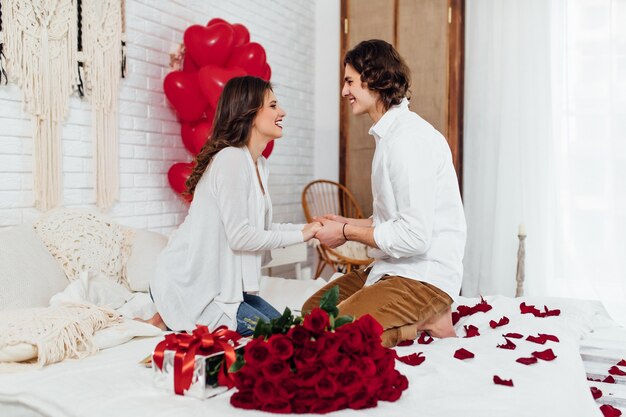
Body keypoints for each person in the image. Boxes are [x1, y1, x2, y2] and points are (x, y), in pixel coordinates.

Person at [302, 39, 466, 347]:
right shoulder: (389, 137)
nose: (344, 91)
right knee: (313, 315)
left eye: (349, 81)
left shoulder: (408, 141)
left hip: (422, 277)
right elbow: (390, 221)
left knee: (337, 334)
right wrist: (345, 222)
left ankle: (431, 315)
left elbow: (415, 237)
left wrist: (346, 232)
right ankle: (423, 318)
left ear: (374, 79)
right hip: (391, 268)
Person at [149, 76, 321, 335]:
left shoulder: (259, 164)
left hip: (225, 288)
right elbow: (241, 237)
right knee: (281, 336)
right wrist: (302, 234)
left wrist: (310, 229)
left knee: (290, 329)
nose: (282, 112)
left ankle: (165, 316)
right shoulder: (230, 159)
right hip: (193, 286)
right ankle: (173, 309)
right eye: (273, 106)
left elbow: (257, 228)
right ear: (250, 113)